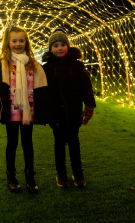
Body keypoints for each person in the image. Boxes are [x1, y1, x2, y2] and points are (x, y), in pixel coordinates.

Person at [0, 25, 51, 194]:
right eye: (14, 41)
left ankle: (30, 177)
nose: (18, 44)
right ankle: (11, 177)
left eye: (21, 40)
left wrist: (43, 113)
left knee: (27, 143)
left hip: (28, 111)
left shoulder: (33, 65)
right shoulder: (1, 64)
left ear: (26, 42)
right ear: (8, 43)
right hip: (11, 112)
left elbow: (42, 89)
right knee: (12, 143)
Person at [41, 29, 96, 188]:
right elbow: (44, 92)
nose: (59, 48)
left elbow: (86, 86)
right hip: (56, 114)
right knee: (59, 143)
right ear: (51, 48)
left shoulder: (77, 66)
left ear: (68, 46)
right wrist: (46, 113)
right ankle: (61, 173)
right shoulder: (47, 68)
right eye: (56, 45)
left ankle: (78, 172)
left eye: (63, 44)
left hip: (74, 112)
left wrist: (89, 106)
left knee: (74, 142)